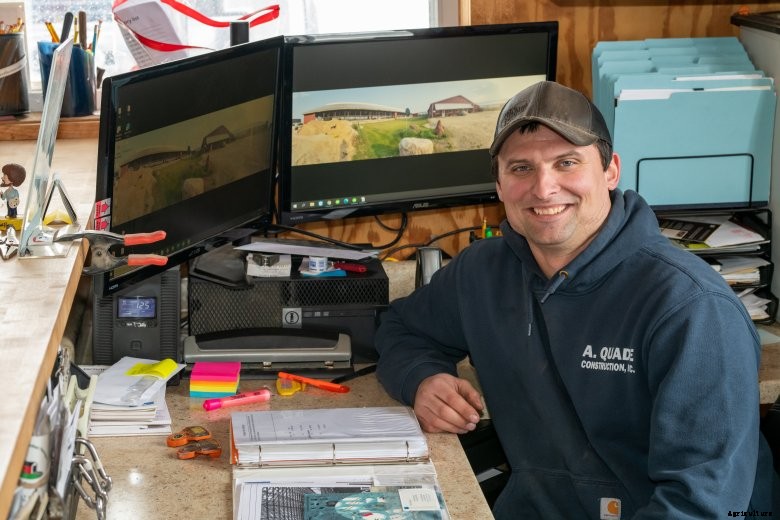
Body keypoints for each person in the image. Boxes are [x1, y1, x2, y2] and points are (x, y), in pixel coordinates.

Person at [375, 80, 778, 518]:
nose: (544, 189)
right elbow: (401, 329)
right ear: (498, 183)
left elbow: (702, 507)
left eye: (566, 162)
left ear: (610, 171)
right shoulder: (483, 271)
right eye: (521, 168)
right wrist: (422, 379)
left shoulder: (693, 308)